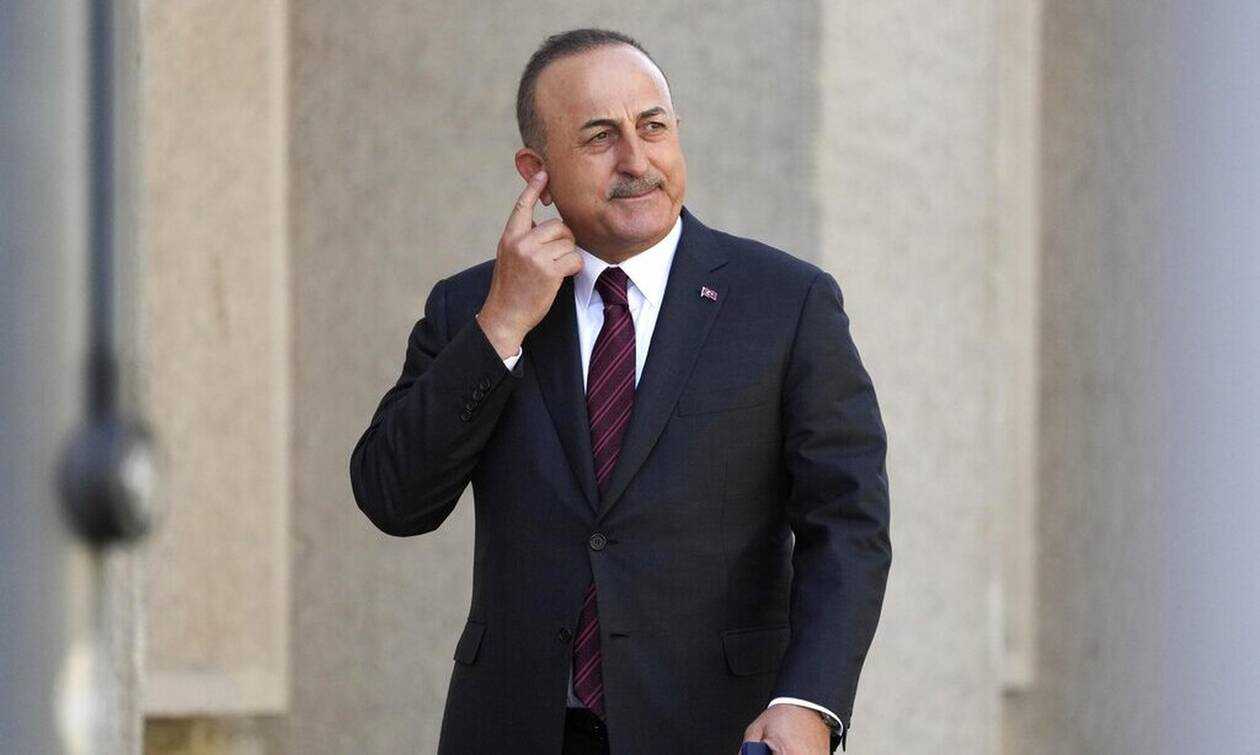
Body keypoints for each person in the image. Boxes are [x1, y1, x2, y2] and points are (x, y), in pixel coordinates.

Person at [349, 27, 890, 755]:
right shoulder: (472, 308)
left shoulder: (786, 302)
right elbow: (394, 498)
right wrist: (501, 326)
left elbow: (848, 522)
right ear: (537, 172)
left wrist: (809, 702)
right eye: (600, 136)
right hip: (514, 729)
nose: (636, 160)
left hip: (718, 728)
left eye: (653, 127)